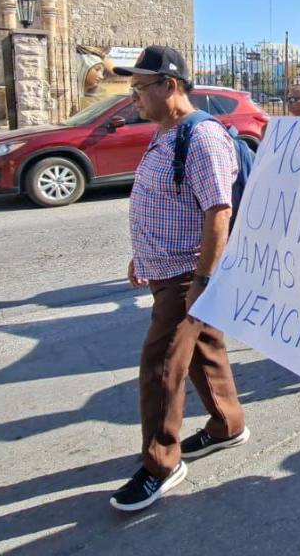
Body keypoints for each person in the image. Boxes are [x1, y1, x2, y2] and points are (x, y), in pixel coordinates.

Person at [110, 46, 250, 512]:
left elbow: (218, 211)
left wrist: (205, 279)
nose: (134, 99)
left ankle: (160, 464)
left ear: (170, 86)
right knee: (204, 348)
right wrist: (142, 256)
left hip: (188, 272)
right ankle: (227, 424)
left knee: (160, 365)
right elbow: (163, 201)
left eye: (139, 89)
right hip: (166, 267)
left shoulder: (202, 136)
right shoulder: (165, 132)